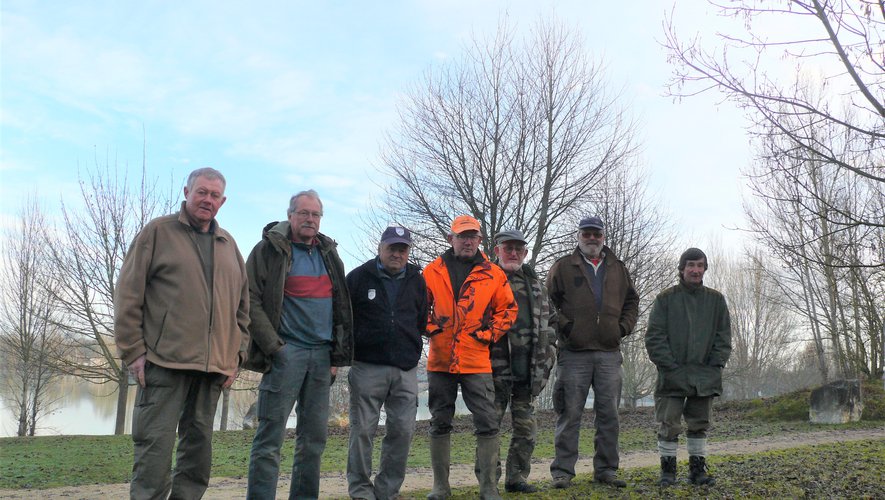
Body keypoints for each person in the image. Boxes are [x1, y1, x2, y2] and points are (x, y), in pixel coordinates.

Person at [114, 167, 250, 500]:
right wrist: (133, 351)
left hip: (213, 370)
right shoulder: (158, 233)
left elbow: (243, 309)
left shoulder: (228, 245)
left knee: (197, 457)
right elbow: (128, 293)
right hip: (164, 363)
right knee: (154, 453)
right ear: (186, 191)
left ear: (223, 200)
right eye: (201, 192)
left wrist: (237, 356)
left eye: (215, 195)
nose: (207, 200)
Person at [244, 189, 353, 500]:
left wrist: (336, 355)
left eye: (315, 214)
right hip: (285, 352)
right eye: (303, 213)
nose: (309, 219)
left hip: (321, 357)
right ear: (290, 215)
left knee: (313, 440)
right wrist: (273, 346)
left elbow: (341, 306)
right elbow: (249, 299)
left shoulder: (329, 255)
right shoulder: (268, 251)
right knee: (269, 438)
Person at [423, 215, 517, 500]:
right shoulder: (432, 271)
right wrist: (432, 330)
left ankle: (488, 487)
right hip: (440, 360)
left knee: (488, 423)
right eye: (462, 236)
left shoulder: (493, 274)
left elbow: (508, 311)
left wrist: (487, 336)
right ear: (450, 239)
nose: (467, 241)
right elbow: (418, 310)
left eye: (472, 236)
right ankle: (441, 487)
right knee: (440, 421)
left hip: (477, 360)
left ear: (479, 240)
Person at [546, 216, 639, 489]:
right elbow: (548, 303)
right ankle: (562, 472)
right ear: (578, 236)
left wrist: (622, 327)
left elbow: (632, 301)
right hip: (573, 353)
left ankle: (607, 470)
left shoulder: (618, 268)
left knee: (609, 414)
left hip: (609, 352)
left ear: (603, 237)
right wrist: (567, 328)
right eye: (586, 234)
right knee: (569, 413)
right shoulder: (563, 267)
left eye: (596, 234)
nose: (592, 239)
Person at [345, 226, 428, 500]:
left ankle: (387, 491)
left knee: (403, 430)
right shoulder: (358, 278)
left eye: (402, 249)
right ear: (380, 248)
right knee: (362, 431)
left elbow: (420, 319)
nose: (397, 253)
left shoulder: (417, 280)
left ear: (408, 252)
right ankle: (360, 490)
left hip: (405, 369)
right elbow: (344, 319)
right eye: (392, 248)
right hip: (367, 366)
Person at [645, 248, 732, 487]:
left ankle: (697, 471)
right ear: (682, 268)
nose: (695, 270)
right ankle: (668, 472)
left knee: (699, 423)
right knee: (668, 424)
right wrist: (669, 366)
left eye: (700, 265)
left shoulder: (716, 300)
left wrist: (715, 364)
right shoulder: (666, 299)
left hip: (705, 374)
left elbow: (724, 337)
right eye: (690, 265)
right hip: (672, 374)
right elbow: (654, 337)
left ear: (705, 268)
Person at [489, 230, 556, 493]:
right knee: (489, 430)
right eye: (508, 248)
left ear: (525, 253)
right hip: (494, 370)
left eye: (518, 249)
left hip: (528, 371)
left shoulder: (537, 286)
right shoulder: (486, 281)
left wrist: (549, 356)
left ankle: (516, 479)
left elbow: (550, 325)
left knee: (526, 431)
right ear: (497, 251)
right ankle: (488, 482)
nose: (513, 253)